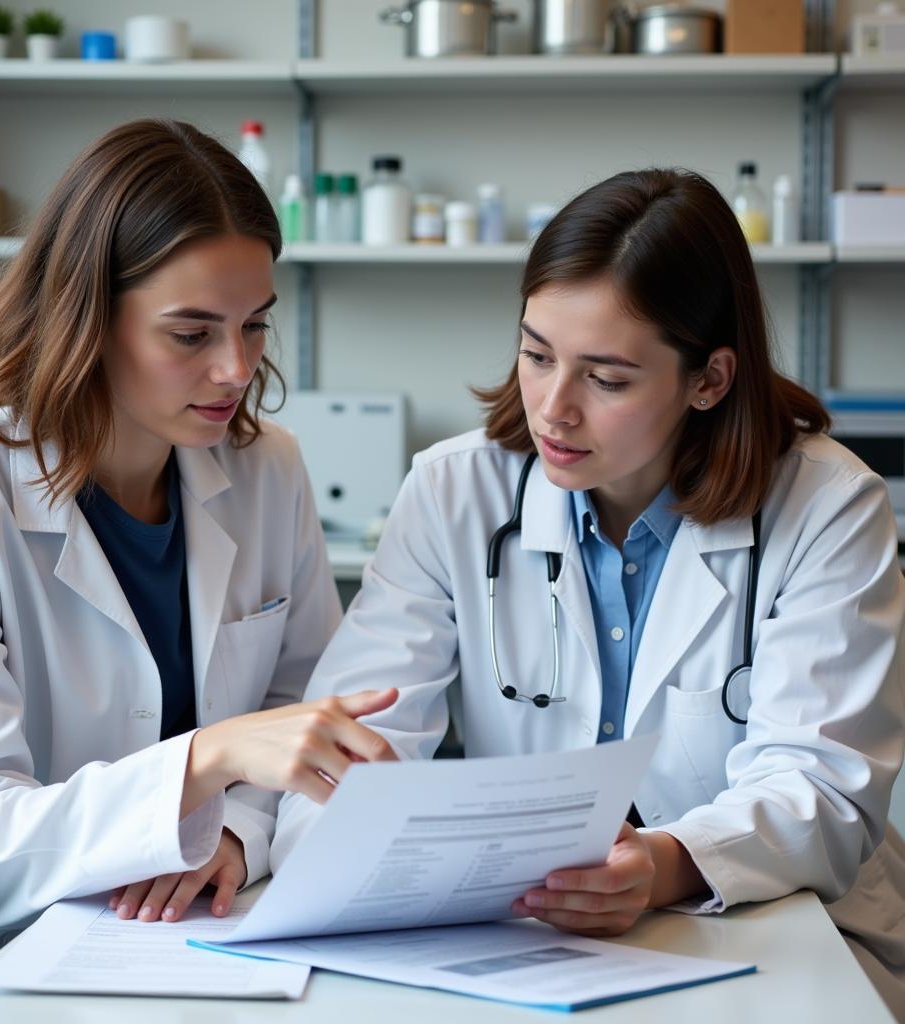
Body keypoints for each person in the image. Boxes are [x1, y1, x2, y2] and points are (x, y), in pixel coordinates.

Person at [272, 168, 905, 1016]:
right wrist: (338, 879)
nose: (553, 411)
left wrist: (666, 862)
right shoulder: (454, 493)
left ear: (709, 380)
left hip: (777, 924)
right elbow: (354, 743)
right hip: (526, 939)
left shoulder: (828, 506)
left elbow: (821, 786)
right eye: (536, 355)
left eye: (607, 379)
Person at [0, 118, 397, 1020]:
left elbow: (306, 723)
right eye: (191, 332)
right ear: (85, 313)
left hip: (182, 937)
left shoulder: (266, 467)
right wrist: (209, 759)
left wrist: (233, 832)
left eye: (253, 326)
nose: (235, 368)